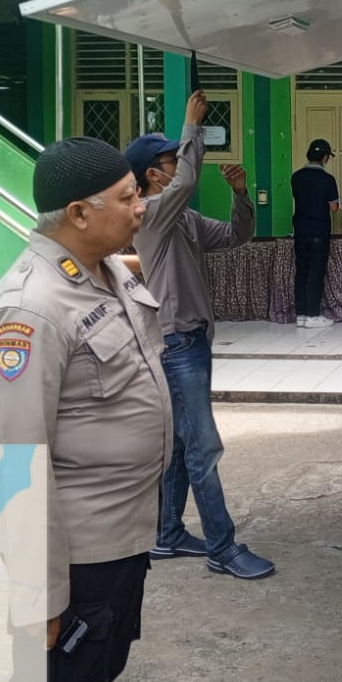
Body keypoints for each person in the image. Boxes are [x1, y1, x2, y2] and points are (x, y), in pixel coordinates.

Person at [0, 137, 171, 682]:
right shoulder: (30, 310)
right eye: (127, 197)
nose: (141, 206)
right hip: (78, 548)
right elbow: (20, 462)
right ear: (80, 213)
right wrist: (40, 593)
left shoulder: (102, 270)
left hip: (120, 533)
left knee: (92, 670)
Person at [123, 93, 274, 581]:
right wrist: (192, 126)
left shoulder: (182, 219)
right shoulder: (150, 213)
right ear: (153, 175)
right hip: (177, 344)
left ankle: (167, 534)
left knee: (182, 443)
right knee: (203, 447)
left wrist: (241, 195)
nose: (179, 166)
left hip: (191, 340)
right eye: (171, 160)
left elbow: (235, 236)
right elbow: (187, 181)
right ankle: (221, 548)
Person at [290, 139, 339, 328]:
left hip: (300, 230)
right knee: (316, 273)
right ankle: (313, 315)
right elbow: (334, 208)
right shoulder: (328, 180)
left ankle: (301, 314)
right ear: (325, 157)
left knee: (301, 272)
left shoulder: (296, 177)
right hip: (319, 231)